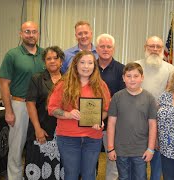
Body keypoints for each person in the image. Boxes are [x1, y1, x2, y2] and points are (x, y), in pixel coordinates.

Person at [47, 50, 111, 180]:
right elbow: (52, 109)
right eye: (82, 62)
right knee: (71, 175)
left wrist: (99, 119)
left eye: (90, 63)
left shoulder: (101, 86)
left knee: (89, 175)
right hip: (68, 138)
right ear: (75, 64)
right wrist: (68, 114)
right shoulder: (63, 84)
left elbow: (105, 109)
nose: (86, 66)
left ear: (94, 66)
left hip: (93, 138)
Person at [0, 21, 45, 180]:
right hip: (20, 105)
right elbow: (4, 84)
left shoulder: (45, 55)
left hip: (40, 107)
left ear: (38, 34)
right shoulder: (12, 55)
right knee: (16, 147)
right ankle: (14, 177)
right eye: (27, 31)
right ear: (21, 34)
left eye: (34, 32)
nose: (31, 35)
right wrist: (8, 110)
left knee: (40, 145)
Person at [107, 62, 157, 180]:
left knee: (140, 177)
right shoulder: (117, 97)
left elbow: (152, 125)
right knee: (123, 177)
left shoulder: (149, 98)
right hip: (121, 149)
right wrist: (110, 148)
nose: (132, 79)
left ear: (142, 78)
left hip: (141, 150)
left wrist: (150, 149)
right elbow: (111, 123)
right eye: (128, 76)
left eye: (136, 76)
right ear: (123, 78)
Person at [135, 35, 174, 180]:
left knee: (157, 166)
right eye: (151, 46)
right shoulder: (136, 66)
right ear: (145, 47)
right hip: (138, 121)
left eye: (158, 47)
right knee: (138, 164)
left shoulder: (171, 69)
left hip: (160, 122)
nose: (155, 49)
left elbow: (172, 96)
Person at [24, 46, 64, 180]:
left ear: (61, 61)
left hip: (63, 132)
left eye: (55, 58)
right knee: (38, 167)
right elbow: (30, 104)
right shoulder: (37, 78)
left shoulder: (69, 80)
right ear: (44, 62)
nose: (52, 61)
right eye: (48, 59)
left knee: (60, 169)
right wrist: (37, 129)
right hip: (41, 128)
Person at [96, 33, 126, 180]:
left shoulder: (122, 70)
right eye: (102, 46)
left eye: (109, 46)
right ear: (97, 48)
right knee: (90, 160)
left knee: (112, 160)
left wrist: (103, 114)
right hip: (89, 123)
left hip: (112, 124)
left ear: (113, 49)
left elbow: (120, 97)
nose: (105, 49)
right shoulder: (88, 67)